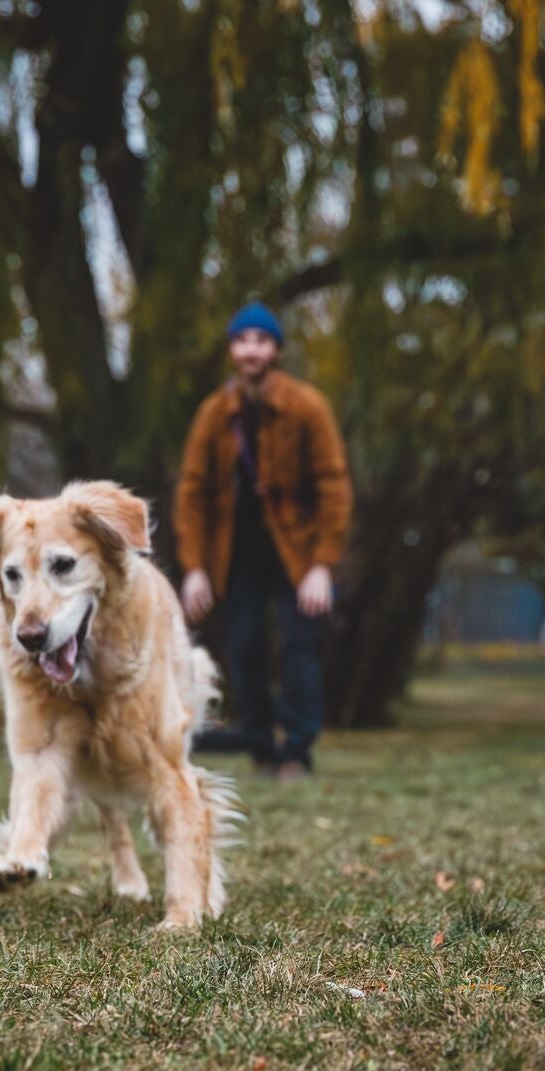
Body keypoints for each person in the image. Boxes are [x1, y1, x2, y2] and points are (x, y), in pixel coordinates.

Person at [174, 301, 353, 779]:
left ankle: (296, 749)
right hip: (235, 554)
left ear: (275, 349)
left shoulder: (307, 406)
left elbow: (334, 485)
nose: (251, 350)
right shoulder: (215, 414)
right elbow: (191, 492)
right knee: (244, 649)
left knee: (299, 648)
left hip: (296, 552)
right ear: (232, 349)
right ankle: (260, 746)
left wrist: (322, 564)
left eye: (261, 340)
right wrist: (194, 567)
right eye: (242, 340)